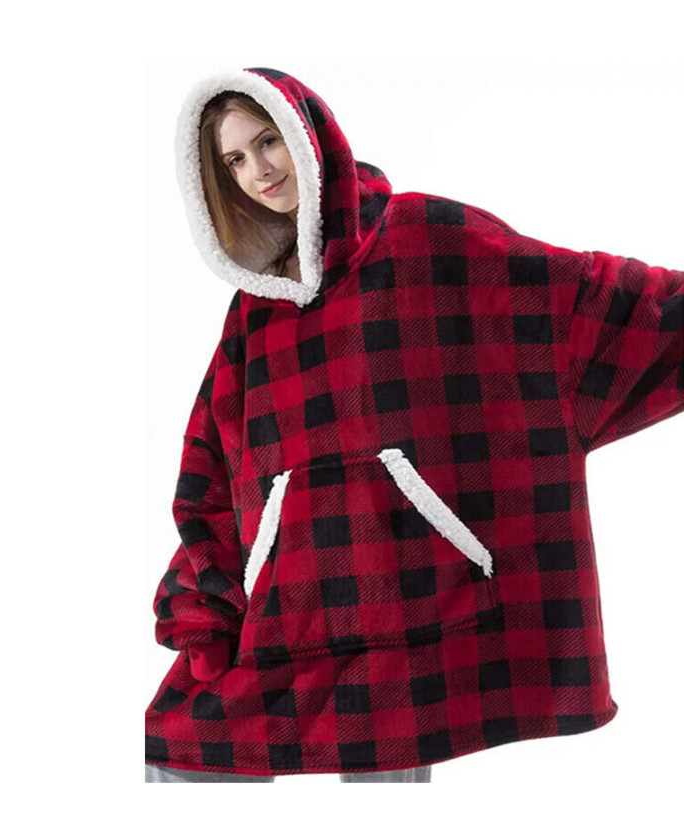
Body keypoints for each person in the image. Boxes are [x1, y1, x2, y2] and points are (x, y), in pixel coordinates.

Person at [145, 67, 683, 783]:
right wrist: (201, 604)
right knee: (174, 752)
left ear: (309, 137)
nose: (258, 171)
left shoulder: (431, 238)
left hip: (423, 608)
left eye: (267, 141)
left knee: (388, 766)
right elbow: (209, 469)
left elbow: (586, 308)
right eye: (234, 159)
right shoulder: (254, 313)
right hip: (291, 619)